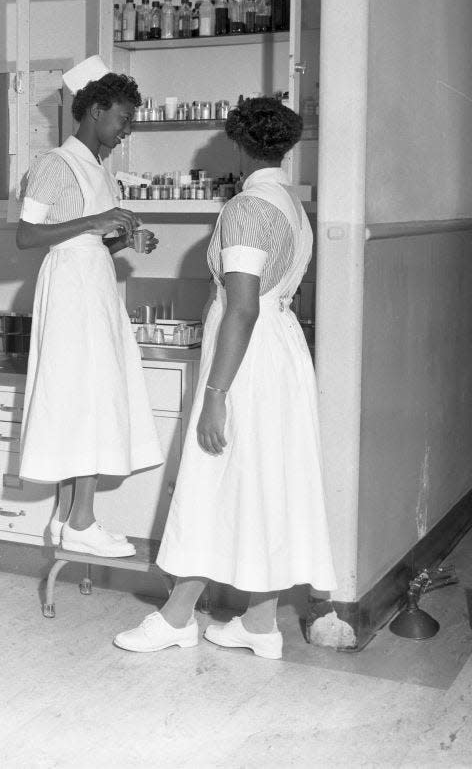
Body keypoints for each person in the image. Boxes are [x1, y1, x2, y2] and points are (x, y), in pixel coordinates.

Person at [114, 97, 337, 659]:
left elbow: (241, 306)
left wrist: (215, 395)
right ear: (287, 145)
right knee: (264, 481)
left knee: (211, 478)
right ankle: (260, 622)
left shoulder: (245, 207)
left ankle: (175, 617)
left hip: (248, 357)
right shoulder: (291, 203)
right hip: (283, 351)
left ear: (237, 143)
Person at [16, 56, 164, 559]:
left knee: (95, 396)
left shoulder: (99, 170)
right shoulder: (55, 165)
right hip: (69, 292)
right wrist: (95, 222)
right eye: (122, 120)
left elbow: (93, 241)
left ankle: (69, 520)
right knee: (85, 399)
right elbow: (26, 234)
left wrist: (125, 242)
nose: (125, 131)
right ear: (95, 110)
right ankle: (81, 519)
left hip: (94, 287)